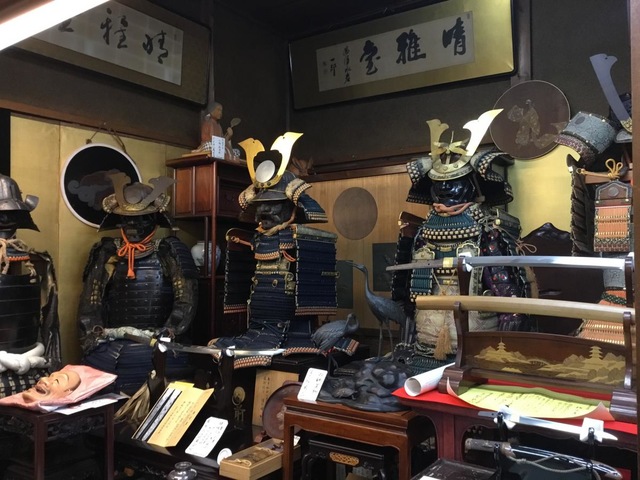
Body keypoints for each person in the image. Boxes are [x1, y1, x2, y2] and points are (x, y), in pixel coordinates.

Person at [319, 110, 531, 412]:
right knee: (375, 376)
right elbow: (406, 295)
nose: (445, 189)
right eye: (439, 183)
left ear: (471, 183)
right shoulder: (421, 232)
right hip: (423, 348)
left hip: (474, 353)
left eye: (453, 182)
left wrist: (502, 352)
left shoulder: (487, 231)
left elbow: (508, 297)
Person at [211, 132, 358, 368]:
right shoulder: (254, 239)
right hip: (256, 329)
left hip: (294, 332)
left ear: (291, 207)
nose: (263, 212)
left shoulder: (302, 240)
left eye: (272, 205)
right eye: (260, 205)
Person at [77, 173, 198, 394]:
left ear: (154, 219)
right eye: (127, 219)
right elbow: (91, 302)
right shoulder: (106, 252)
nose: (133, 224)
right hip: (110, 345)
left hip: (158, 344)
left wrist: (169, 331)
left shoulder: (169, 251)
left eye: (141, 218)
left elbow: (185, 300)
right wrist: (94, 336)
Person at [0, 174, 61, 398]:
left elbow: (50, 321)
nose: (5, 217)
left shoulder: (39, 262)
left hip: (30, 365)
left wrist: (53, 364)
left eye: (12, 212)